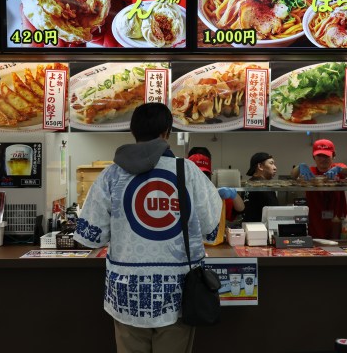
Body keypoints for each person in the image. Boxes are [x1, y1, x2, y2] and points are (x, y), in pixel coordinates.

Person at [73, 103, 221, 353]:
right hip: (178, 293)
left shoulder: (110, 175)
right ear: (167, 132)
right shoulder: (189, 172)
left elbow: (91, 237)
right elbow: (210, 228)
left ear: (133, 132)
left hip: (127, 294)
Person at [290, 139, 347, 239]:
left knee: (339, 246)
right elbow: (293, 176)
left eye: (326, 156)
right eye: (319, 156)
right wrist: (299, 166)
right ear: (313, 157)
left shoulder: (338, 168)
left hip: (338, 218)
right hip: (315, 220)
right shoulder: (310, 171)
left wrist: (340, 169)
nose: (322, 159)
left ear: (333, 156)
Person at [187, 147, 245, 224]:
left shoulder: (214, 196)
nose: (201, 177)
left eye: (205, 174)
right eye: (196, 173)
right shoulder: (179, 193)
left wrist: (233, 194)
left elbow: (240, 210)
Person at [242, 152, 278, 222]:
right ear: (260, 166)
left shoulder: (248, 184)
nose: (275, 168)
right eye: (271, 163)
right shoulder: (265, 187)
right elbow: (275, 213)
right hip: (262, 230)